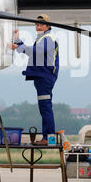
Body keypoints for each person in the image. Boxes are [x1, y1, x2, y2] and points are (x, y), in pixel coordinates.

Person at [10, 14, 59, 146]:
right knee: (44, 108)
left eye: (41, 24)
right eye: (37, 24)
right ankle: (48, 137)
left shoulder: (48, 38)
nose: (38, 26)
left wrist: (18, 47)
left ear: (48, 26)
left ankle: (48, 138)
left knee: (45, 108)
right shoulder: (42, 38)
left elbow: (36, 51)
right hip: (41, 76)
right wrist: (18, 40)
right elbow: (32, 50)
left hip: (45, 77)